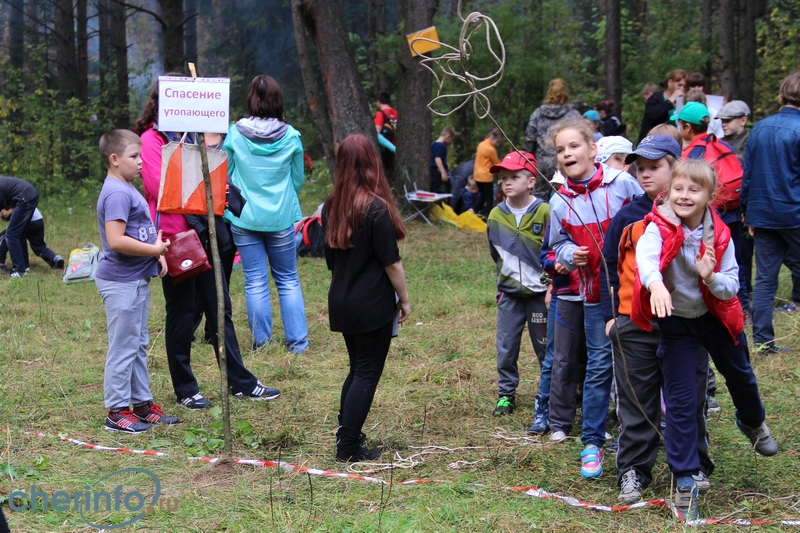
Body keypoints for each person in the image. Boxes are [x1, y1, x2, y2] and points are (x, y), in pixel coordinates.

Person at [634, 158, 778, 520]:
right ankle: (685, 478)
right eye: (678, 188)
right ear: (670, 192)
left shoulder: (722, 235)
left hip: (716, 316)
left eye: (694, 190)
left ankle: (752, 421)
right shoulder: (658, 226)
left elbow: (732, 285)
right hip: (679, 323)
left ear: (710, 196)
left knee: (740, 374)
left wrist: (711, 276)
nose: (684, 196)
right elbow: (646, 260)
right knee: (682, 402)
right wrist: (654, 286)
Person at [134, 77, 278, 409]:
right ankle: (185, 388)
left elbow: (216, 178)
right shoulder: (151, 140)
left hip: (207, 232)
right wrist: (201, 181)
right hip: (175, 238)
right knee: (184, 313)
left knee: (220, 308)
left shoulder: (198, 135)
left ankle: (240, 382)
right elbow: (161, 187)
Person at [600, 135, 713, 504]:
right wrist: (610, 316)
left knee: (688, 398)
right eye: (640, 168)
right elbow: (608, 270)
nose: (645, 174)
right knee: (636, 400)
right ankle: (633, 469)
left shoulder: (700, 217)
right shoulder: (629, 216)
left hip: (687, 323)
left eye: (655, 167)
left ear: (675, 167)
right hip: (635, 322)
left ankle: (693, 467)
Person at [548, 119, 643, 479]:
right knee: (600, 364)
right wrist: (572, 253)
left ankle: (643, 431)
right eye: (560, 149)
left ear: (592, 149)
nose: (567, 153)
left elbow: (648, 217)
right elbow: (556, 245)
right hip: (592, 294)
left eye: (574, 145)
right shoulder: (558, 200)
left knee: (637, 361)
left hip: (635, 290)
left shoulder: (621, 184)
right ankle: (592, 442)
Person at [322, 134, 410, 462]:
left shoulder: (332, 206)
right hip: (371, 305)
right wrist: (404, 300)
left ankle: (348, 434)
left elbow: (330, 260)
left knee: (357, 368)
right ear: (373, 162)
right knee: (366, 373)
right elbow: (392, 263)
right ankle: (347, 446)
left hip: (342, 301)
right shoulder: (375, 208)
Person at [95, 129, 179, 433]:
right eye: (134, 156)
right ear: (114, 159)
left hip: (136, 279)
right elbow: (116, 240)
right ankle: (116, 411)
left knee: (137, 344)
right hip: (120, 283)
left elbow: (135, 232)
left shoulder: (127, 188)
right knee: (123, 347)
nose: (141, 162)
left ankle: (142, 405)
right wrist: (154, 249)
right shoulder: (117, 192)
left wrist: (154, 255)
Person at [224, 75, 309, 354]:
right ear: (278, 100)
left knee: (255, 280)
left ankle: (262, 343)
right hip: (281, 217)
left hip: (245, 216)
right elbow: (297, 179)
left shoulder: (234, 133)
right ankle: (298, 343)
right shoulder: (292, 136)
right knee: (287, 279)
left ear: (251, 99)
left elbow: (226, 175)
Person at [486, 151, 549, 416]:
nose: (507, 183)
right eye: (503, 178)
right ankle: (505, 394)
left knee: (545, 346)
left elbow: (553, 249)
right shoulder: (495, 216)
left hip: (540, 295)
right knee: (506, 346)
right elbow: (494, 252)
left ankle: (551, 393)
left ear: (531, 181)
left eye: (515, 177)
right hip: (510, 294)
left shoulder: (545, 212)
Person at [742, 71, 800, 353]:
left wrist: (747, 211)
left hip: (763, 213)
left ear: (781, 96)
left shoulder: (760, 128)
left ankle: (764, 342)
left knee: (765, 280)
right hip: (793, 212)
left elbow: (748, 174)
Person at [524, 78, 581, 199]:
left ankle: (539, 218)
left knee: (539, 197)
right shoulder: (573, 115)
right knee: (566, 195)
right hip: (565, 161)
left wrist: (529, 160)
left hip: (542, 162)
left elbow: (529, 140)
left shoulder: (537, 114)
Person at [0, 176, 47, 278]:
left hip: (25, 198)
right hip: (28, 195)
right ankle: (25, 267)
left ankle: (19, 270)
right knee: (18, 233)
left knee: (11, 235)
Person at [0, 207, 63, 272]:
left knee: (8, 237)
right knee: (39, 246)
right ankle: (55, 258)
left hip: (25, 219)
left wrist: (7, 213)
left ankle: (20, 266)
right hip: (37, 219)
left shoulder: (6, 199)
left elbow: (15, 208)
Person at [638, 69, 687, 142]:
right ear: (670, 83)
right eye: (679, 85)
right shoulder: (656, 98)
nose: (682, 89)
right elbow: (652, 115)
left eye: (684, 86)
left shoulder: (682, 102)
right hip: (653, 142)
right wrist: (671, 100)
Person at [473, 128, 503, 216]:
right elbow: (497, 163)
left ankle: (473, 211)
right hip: (486, 176)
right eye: (497, 142)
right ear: (492, 137)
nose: (497, 144)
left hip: (477, 175)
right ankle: (489, 216)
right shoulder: (491, 149)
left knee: (483, 195)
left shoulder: (481, 144)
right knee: (489, 198)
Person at [374, 91, 398, 173]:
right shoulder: (396, 113)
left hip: (386, 148)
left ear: (379, 101)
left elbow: (377, 131)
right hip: (396, 143)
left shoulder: (380, 114)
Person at [429, 127, 456, 193]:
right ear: (448, 136)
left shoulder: (433, 144)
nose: (451, 142)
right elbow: (438, 158)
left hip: (432, 171)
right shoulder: (442, 146)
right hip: (438, 171)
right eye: (451, 140)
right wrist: (443, 172)